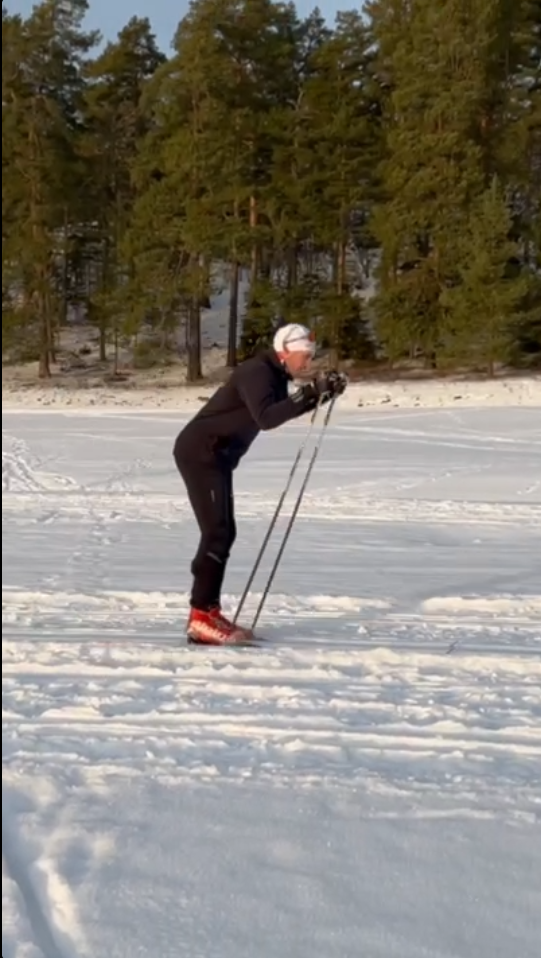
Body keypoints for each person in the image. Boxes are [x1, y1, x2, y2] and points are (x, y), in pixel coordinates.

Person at [173, 322, 347, 644]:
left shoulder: (275, 374)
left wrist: (320, 394)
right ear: (284, 351)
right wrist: (311, 392)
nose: (307, 363)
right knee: (218, 532)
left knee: (223, 532)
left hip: (216, 456)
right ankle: (200, 616)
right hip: (201, 452)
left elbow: (277, 411)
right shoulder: (257, 371)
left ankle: (207, 611)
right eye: (303, 356)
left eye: (309, 356)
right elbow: (266, 418)